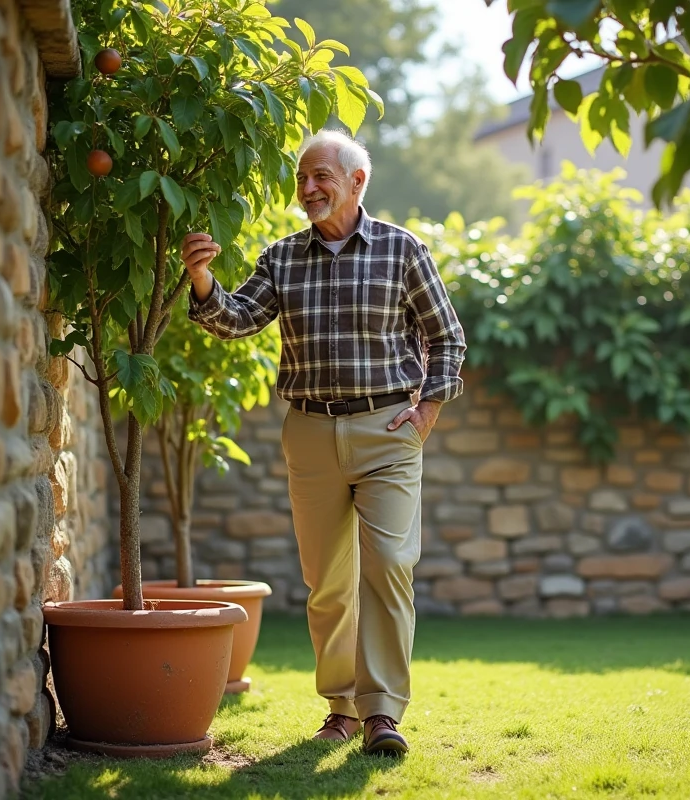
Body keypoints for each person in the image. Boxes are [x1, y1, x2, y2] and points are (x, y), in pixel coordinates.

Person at [182, 130, 466, 756]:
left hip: (388, 430)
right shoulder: (283, 258)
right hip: (309, 432)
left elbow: (447, 337)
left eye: (321, 177)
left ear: (357, 182)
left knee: (390, 566)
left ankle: (383, 712)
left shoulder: (402, 251)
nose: (308, 188)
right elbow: (235, 319)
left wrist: (427, 411)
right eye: (301, 178)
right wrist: (202, 279)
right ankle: (340, 707)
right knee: (328, 581)